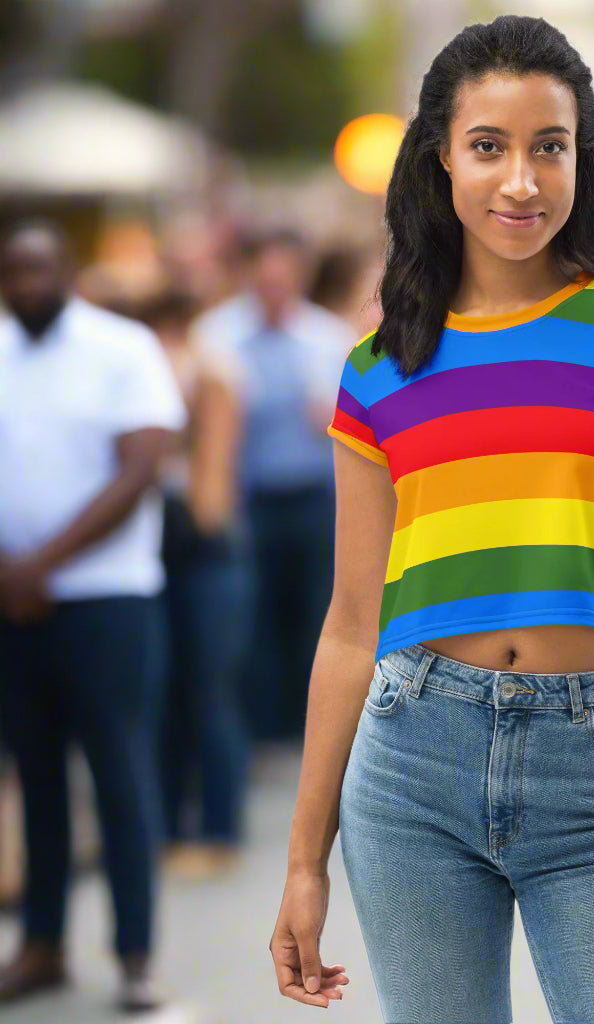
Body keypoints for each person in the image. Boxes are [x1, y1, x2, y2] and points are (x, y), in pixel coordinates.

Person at [268, 15, 594, 1022]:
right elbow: (352, 623)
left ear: (584, 159)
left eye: (548, 147)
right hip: (411, 773)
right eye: (489, 147)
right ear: (442, 161)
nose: (519, 181)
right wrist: (305, 862)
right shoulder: (378, 370)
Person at [0, 220, 186, 1012]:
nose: (27, 284)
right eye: (14, 272)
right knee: (35, 773)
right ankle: (42, 943)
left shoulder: (121, 347)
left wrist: (43, 562)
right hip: (12, 600)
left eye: (41, 269)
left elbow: (142, 467)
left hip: (107, 596)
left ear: (66, 271)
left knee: (118, 773)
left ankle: (134, 951)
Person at [190, 227, 355, 740]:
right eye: (265, 278)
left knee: (313, 609)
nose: (274, 287)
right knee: (252, 615)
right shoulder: (217, 335)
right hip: (249, 497)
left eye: (284, 278)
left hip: (313, 497)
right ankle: (260, 725)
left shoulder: (327, 337)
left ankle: (306, 725)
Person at [144, 290, 252, 878]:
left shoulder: (213, 370)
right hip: (158, 547)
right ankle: (165, 826)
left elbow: (211, 495)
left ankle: (218, 827)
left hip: (207, 545)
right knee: (162, 694)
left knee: (210, 689)